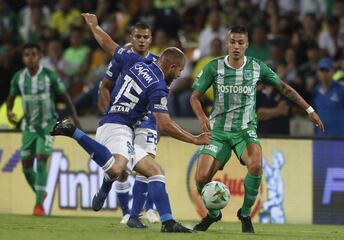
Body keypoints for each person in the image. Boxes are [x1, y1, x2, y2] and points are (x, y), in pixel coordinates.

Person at [53, 14, 211, 233]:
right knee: (118, 167)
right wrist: (194, 139)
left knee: (155, 170)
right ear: (171, 66)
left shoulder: (134, 59)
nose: (179, 74)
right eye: (179, 70)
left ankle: (167, 222)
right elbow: (164, 124)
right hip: (115, 125)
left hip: (128, 127)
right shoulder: (157, 86)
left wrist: (94, 25)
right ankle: (74, 132)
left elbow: (108, 44)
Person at [190, 26, 324, 233]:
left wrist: (309, 109)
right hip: (218, 131)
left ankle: (244, 214)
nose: (236, 46)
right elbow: (194, 97)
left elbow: (284, 88)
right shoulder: (213, 67)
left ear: (247, 45)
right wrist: (201, 117)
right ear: (227, 43)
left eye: (240, 42)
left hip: (245, 130)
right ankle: (214, 214)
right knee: (200, 178)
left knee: (256, 165)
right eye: (232, 42)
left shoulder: (257, 67)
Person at [94, 19, 159, 226]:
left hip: (146, 119)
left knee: (147, 163)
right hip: (122, 118)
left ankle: (145, 210)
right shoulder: (123, 59)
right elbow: (104, 86)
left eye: (145, 37)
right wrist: (109, 109)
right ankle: (126, 212)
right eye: (138, 36)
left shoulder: (158, 63)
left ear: (151, 39)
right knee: (120, 170)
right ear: (131, 38)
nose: (141, 40)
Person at [6, 43, 80, 216]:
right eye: (27, 55)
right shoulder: (18, 77)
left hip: (47, 125)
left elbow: (65, 96)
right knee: (26, 168)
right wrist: (9, 111)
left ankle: (38, 205)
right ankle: (41, 192)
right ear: (23, 58)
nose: (30, 57)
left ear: (40, 56)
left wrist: (75, 117)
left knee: (41, 160)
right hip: (28, 127)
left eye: (34, 54)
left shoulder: (49, 76)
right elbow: (11, 97)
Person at [313, 58, 344, 137]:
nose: (324, 74)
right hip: (320, 137)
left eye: (327, 70)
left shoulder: (342, 89)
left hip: (339, 136)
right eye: (321, 71)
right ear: (317, 73)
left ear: (333, 72)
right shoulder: (315, 92)